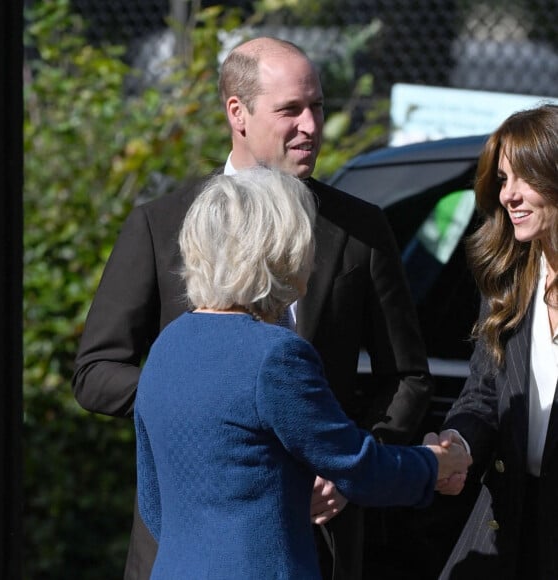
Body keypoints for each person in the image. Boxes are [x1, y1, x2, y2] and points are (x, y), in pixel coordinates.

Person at [73, 37, 434, 580]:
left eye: (317, 107)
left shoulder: (360, 229)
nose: (311, 125)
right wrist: (202, 404)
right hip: (187, 542)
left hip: (319, 542)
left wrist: (348, 467)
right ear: (236, 113)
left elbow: (405, 377)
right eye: (291, 109)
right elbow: (97, 370)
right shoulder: (162, 223)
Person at [134, 166, 470, 579]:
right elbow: (356, 466)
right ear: (279, 250)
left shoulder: (168, 345)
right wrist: (436, 464)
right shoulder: (274, 356)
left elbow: (153, 502)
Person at [428, 104, 558, 579]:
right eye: (503, 180)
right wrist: (455, 442)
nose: (509, 196)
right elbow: (484, 391)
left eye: (524, 178)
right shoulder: (508, 282)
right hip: (508, 518)